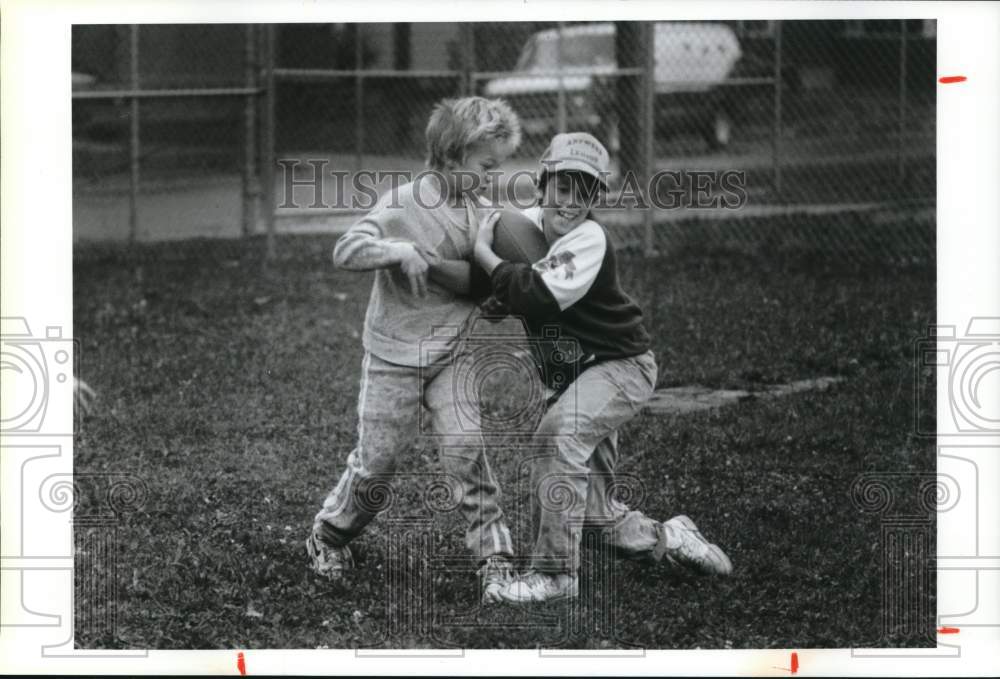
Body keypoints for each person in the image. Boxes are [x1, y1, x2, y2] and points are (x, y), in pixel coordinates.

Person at [471, 132, 733, 604]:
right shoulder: (524, 225)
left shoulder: (589, 238)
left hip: (620, 367)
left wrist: (485, 256)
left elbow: (536, 293)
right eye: (562, 187)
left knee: (558, 436)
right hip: (575, 377)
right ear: (542, 184)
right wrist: (495, 291)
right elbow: (510, 288)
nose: (571, 202)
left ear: (595, 198)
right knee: (591, 516)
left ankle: (554, 577)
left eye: (584, 191)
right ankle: (671, 537)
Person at [307, 96, 522, 604]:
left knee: (467, 452)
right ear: (450, 157)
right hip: (392, 355)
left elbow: (483, 280)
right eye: (486, 167)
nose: (492, 178)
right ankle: (329, 534)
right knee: (378, 463)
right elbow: (345, 249)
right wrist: (396, 250)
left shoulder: (483, 212)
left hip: (453, 353)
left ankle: (495, 559)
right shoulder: (404, 203)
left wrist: (496, 298)